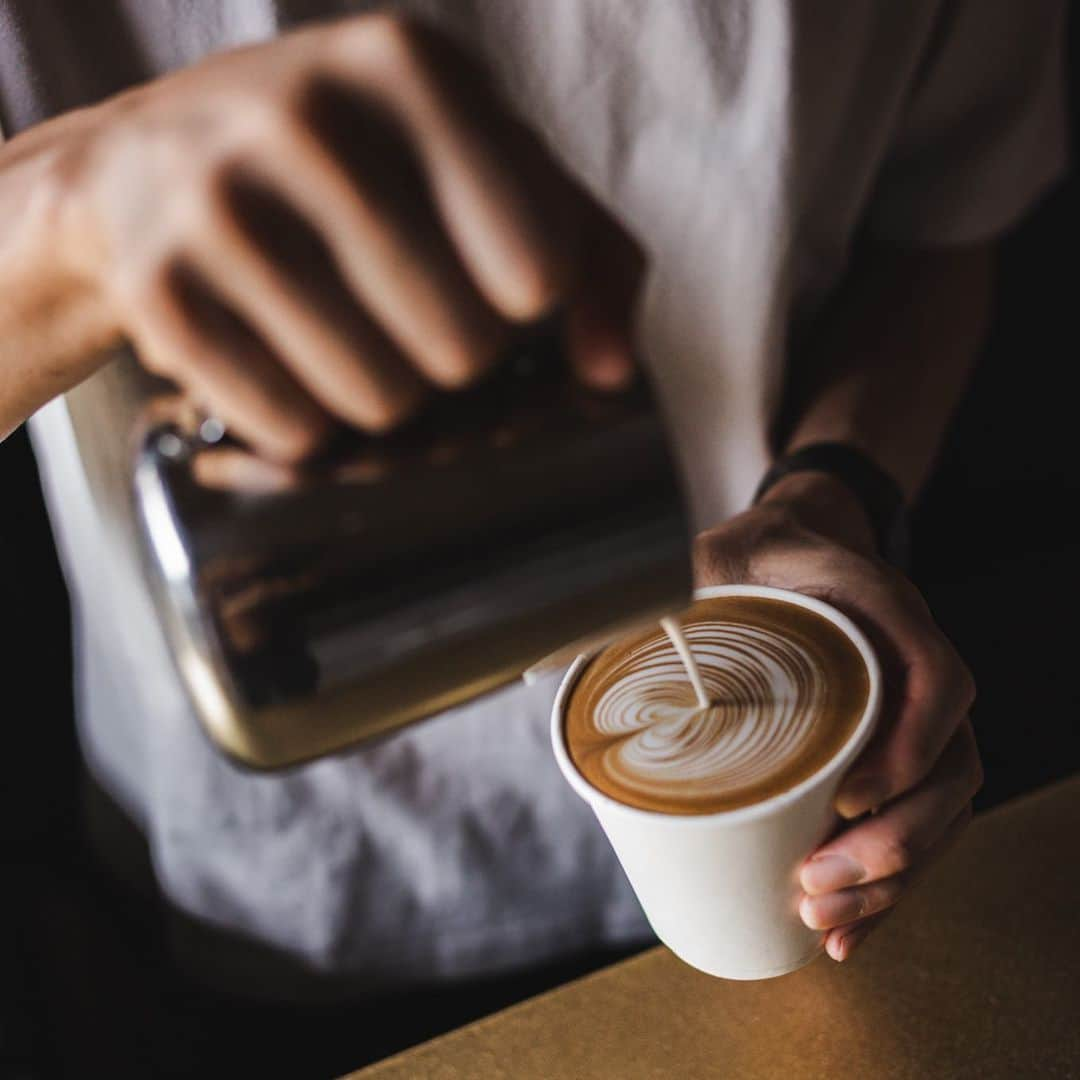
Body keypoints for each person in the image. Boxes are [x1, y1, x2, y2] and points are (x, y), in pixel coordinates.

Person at [0, 0, 1066, 1071]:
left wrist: (828, 496)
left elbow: (937, 223)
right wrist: (69, 215)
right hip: (294, 882)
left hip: (795, 819)